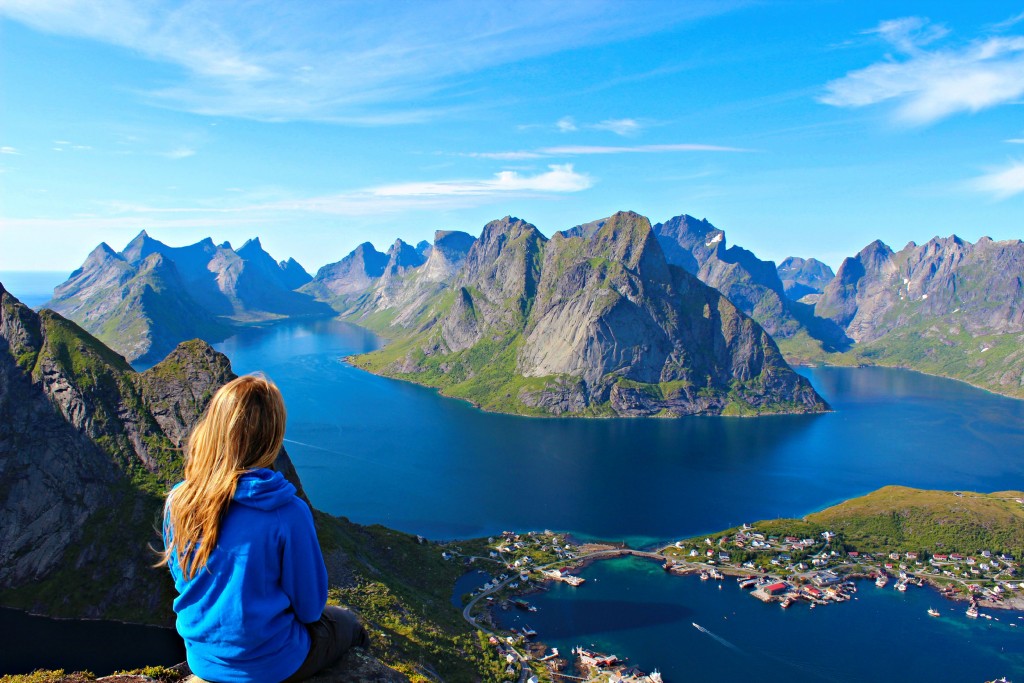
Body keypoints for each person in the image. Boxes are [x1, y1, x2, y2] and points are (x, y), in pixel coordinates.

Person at [159, 374, 368, 683]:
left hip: (202, 659)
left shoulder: (180, 500)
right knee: (349, 626)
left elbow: (184, 579)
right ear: (272, 437)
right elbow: (310, 610)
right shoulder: (286, 512)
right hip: (271, 665)